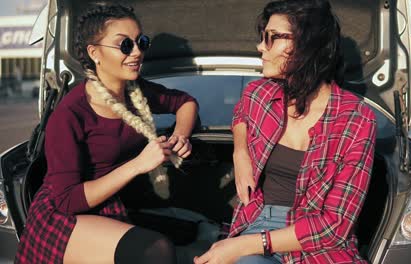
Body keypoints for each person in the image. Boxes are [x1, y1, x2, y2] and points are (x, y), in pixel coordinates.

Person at [194, 0, 376, 263]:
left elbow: (336, 225)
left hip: (319, 242)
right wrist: (240, 152)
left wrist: (239, 247)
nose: (260, 47)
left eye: (271, 38)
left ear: (306, 44)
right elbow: (241, 115)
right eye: (262, 37)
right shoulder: (260, 94)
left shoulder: (357, 118)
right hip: (258, 220)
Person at [15, 4, 198, 264]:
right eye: (125, 45)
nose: (137, 52)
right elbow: (66, 200)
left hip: (109, 203)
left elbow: (186, 103)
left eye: (141, 42)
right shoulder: (71, 114)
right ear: (95, 53)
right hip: (63, 216)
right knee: (156, 250)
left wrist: (181, 135)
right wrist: (138, 165)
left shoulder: (137, 92)